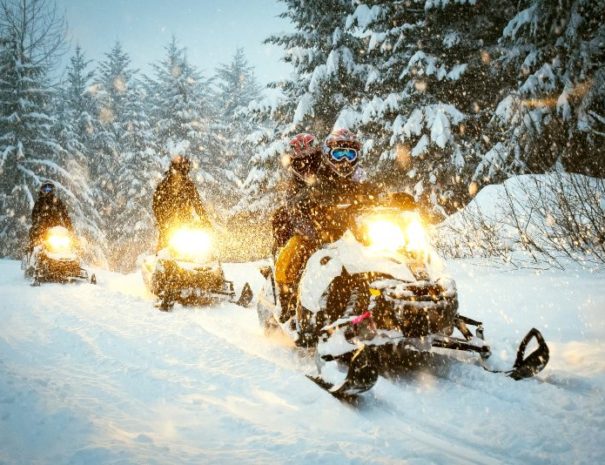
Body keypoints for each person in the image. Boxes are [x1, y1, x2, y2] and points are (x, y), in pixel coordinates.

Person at [274, 128, 376, 323]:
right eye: (339, 154)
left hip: (352, 232)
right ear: (328, 155)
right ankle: (287, 299)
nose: (345, 160)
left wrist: (393, 199)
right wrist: (310, 217)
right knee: (297, 249)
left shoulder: (359, 176)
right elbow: (298, 202)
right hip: (320, 230)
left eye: (350, 154)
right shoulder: (320, 176)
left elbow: (372, 191)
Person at [271, 133, 322, 255]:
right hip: (310, 237)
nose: (307, 166)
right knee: (280, 218)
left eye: (312, 160)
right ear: (293, 165)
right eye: (300, 163)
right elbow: (293, 210)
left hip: (336, 227)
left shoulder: (329, 175)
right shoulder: (293, 187)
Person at [152, 155, 211, 250]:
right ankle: (160, 259)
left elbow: (197, 203)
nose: (180, 175)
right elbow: (156, 206)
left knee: (202, 249)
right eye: (179, 170)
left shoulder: (189, 186)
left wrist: (205, 220)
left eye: (183, 172)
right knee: (164, 249)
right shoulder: (163, 186)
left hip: (185, 223)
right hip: (168, 226)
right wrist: (162, 221)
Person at [28, 182, 74, 252]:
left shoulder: (58, 202)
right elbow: (34, 216)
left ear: (52, 190)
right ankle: (33, 253)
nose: (47, 191)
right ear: (41, 190)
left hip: (55, 228)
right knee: (34, 236)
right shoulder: (39, 202)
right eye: (45, 189)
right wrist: (38, 225)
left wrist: (69, 228)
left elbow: (65, 215)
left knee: (71, 242)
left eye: (49, 189)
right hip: (42, 229)